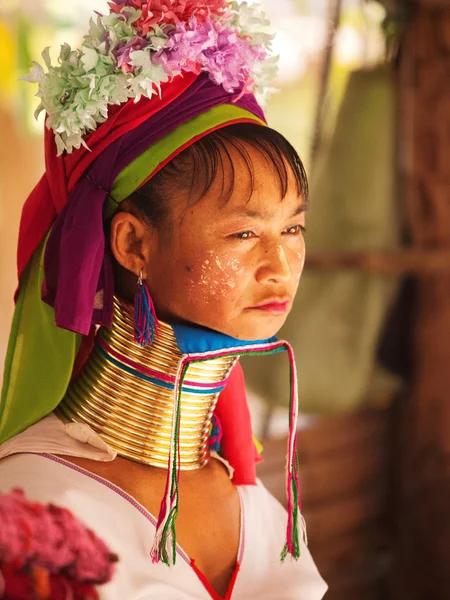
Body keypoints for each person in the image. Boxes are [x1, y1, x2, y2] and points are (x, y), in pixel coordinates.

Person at [0, 1, 327, 598]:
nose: (280, 265)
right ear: (133, 244)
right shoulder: (36, 516)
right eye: (244, 233)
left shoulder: (256, 502)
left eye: (294, 229)